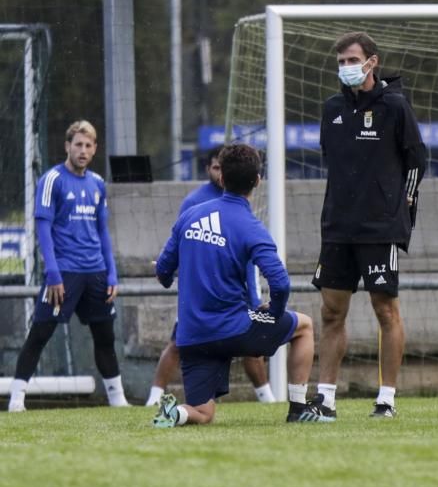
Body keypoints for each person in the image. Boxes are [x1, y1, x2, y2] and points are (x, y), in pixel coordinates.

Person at [152, 143, 335, 427]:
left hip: (193, 335)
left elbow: (163, 272)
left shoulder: (189, 215)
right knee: (305, 326)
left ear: (221, 177)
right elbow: (281, 283)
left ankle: (176, 412)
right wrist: (273, 312)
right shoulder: (252, 227)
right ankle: (299, 408)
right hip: (234, 328)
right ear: (258, 182)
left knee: (202, 412)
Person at [312, 31, 426, 418]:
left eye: (352, 60)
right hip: (338, 228)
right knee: (331, 312)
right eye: (341, 62)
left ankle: (386, 399)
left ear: (372, 61)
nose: (346, 67)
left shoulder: (395, 106)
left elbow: (416, 160)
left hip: (380, 228)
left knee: (385, 311)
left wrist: (401, 210)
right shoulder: (331, 109)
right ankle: (325, 398)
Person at [8, 120, 129, 412]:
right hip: (64, 274)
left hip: (96, 273)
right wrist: (53, 273)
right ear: (67, 146)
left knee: (105, 337)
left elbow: (102, 232)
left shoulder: (98, 183)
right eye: (78, 145)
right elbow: (43, 227)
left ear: (95, 148)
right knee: (40, 333)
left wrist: (111, 273)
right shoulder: (52, 180)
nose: (83, 150)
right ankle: (16, 399)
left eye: (88, 145)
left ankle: (118, 400)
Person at [145, 146, 276, 407]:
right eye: (215, 168)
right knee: (177, 343)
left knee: (250, 345)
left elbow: (250, 258)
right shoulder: (194, 203)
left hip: (237, 289)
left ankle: (267, 397)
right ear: (209, 169)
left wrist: (254, 295)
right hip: (199, 294)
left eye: (222, 168)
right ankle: (154, 397)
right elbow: (179, 245)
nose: (219, 173)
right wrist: (168, 270)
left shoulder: (242, 208)